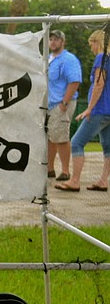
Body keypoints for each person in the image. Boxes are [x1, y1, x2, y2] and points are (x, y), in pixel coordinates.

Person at [55, 29, 110, 192]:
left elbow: (99, 84)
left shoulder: (101, 58)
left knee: (77, 143)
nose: (90, 48)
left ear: (97, 42)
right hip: (108, 111)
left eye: (91, 44)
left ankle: (75, 181)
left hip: (99, 110)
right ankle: (103, 181)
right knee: (107, 147)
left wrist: (89, 109)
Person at [45, 29, 82, 183]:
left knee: (61, 137)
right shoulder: (48, 59)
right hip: (49, 103)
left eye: (56, 39)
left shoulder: (68, 59)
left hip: (62, 103)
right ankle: (49, 169)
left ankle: (65, 171)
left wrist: (64, 103)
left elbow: (74, 81)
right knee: (50, 136)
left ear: (62, 42)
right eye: (51, 39)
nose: (53, 42)